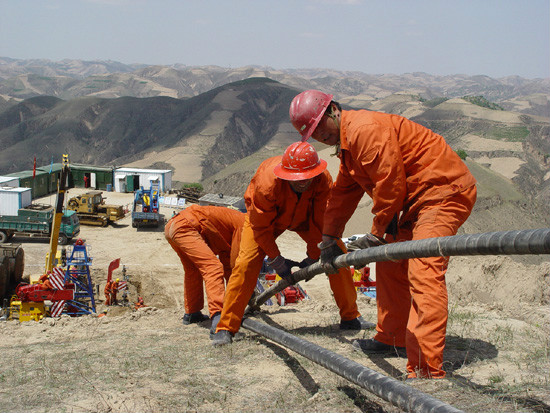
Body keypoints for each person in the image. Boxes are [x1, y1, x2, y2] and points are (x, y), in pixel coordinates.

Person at [289, 90, 477, 379]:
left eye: (318, 127)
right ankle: (391, 337)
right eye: (311, 133)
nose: (319, 136)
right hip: (414, 201)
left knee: (423, 269)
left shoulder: (364, 131)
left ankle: (426, 369)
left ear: (334, 110)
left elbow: (389, 184)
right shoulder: (349, 145)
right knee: (389, 262)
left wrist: (377, 235)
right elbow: (342, 195)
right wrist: (328, 240)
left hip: (442, 192)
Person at [211, 141, 375, 346]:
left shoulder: (323, 180)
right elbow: (261, 228)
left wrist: (315, 255)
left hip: (305, 219)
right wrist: (276, 259)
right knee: (245, 264)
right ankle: (226, 327)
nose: (302, 183)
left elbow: (321, 221)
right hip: (266, 223)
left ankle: (350, 316)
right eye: (297, 179)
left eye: (307, 178)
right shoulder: (266, 184)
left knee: (336, 253)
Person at [164, 204, 246, 336]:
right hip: (186, 226)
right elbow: (235, 265)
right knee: (213, 267)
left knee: (193, 270)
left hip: (173, 227)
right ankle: (219, 320)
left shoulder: (234, 222)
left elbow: (228, 263)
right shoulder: (244, 225)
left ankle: (192, 313)